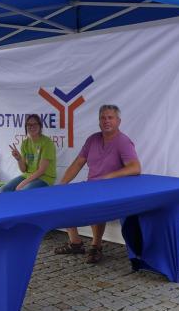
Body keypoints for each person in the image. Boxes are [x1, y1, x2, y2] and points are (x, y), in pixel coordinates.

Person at [54, 104, 141, 264]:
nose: (106, 121)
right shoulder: (93, 139)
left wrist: (109, 176)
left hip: (113, 189)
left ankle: (96, 246)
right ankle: (75, 243)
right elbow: (77, 163)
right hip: (92, 185)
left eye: (110, 117)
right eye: (103, 118)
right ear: (99, 122)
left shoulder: (123, 141)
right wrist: (62, 184)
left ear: (118, 121)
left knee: (95, 203)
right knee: (63, 199)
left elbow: (135, 168)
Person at [0, 113, 57, 192]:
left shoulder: (47, 143)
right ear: (26, 127)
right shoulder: (25, 143)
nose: (32, 127)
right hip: (28, 175)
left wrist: (23, 183)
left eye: (35, 124)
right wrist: (19, 159)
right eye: (29, 124)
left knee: (22, 192)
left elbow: (42, 170)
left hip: (44, 178)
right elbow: (23, 170)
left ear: (40, 126)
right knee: (2, 190)